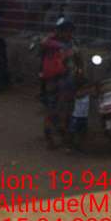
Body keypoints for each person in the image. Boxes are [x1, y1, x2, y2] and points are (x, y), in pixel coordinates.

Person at [40, 18, 83, 149]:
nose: (69, 34)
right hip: (55, 78)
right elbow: (43, 44)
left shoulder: (69, 42)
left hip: (63, 78)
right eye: (67, 31)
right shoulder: (52, 41)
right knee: (55, 108)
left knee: (64, 108)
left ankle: (62, 136)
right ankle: (52, 137)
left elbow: (78, 59)